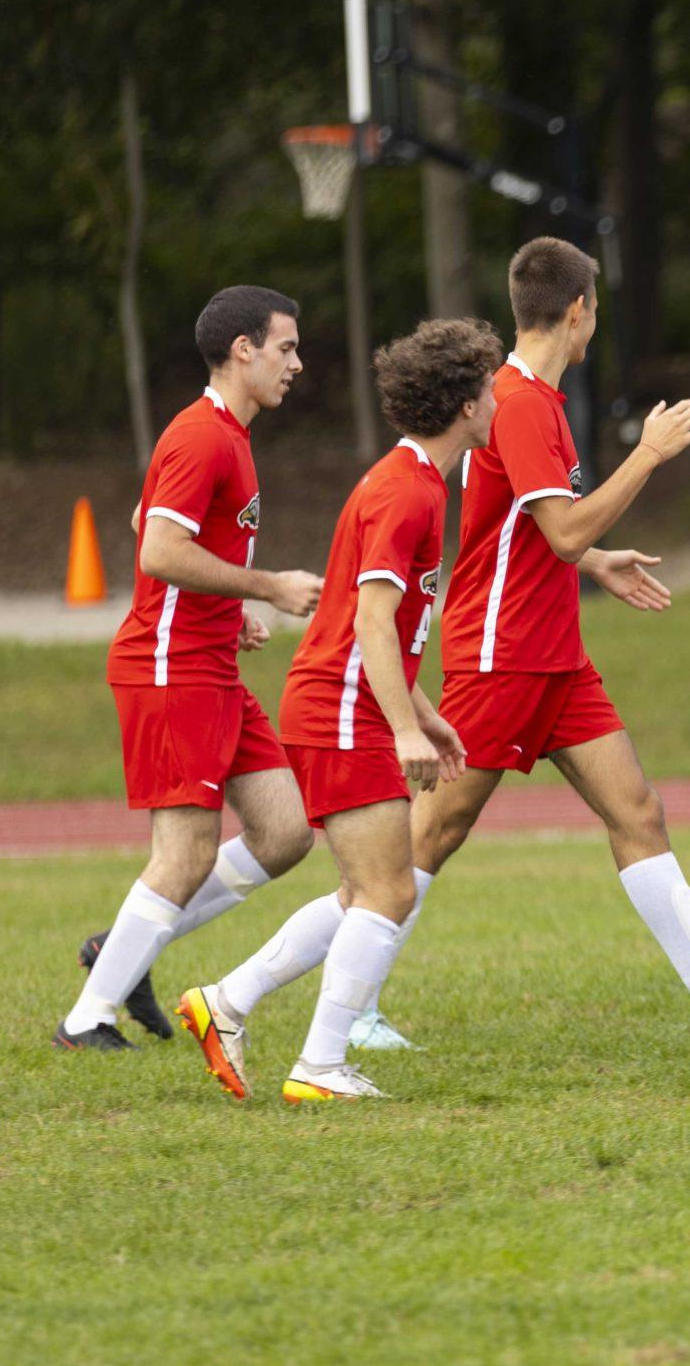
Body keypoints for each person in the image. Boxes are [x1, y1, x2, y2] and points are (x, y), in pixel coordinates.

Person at [409, 239, 690, 1025]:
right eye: (594, 308)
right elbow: (560, 533)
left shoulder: (532, 400)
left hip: (553, 654)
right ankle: (343, 1005)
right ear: (579, 312)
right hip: (501, 653)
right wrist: (647, 457)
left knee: (637, 808)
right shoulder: (523, 401)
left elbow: (534, 531)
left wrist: (595, 560)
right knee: (431, 832)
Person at [175, 318, 498, 1103]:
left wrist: (425, 710)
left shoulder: (413, 479)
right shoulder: (407, 491)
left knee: (363, 891)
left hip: (342, 701)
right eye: (488, 388)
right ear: (462, 404)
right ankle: (319, 1066)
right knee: (389, 891)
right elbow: (371, 621)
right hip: (341, 709)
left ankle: (225, 1002)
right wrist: (400, 726)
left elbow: (383, 622)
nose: (497, 400)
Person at [55, 287, 326, 1051]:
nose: (297, 364)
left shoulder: (229, 436)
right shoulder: (203, 436)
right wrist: (266, 586)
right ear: (243, 350)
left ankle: (125, 946)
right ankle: (85, 1020)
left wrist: (227, 603)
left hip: (210, 668)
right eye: (286, 348)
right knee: (185, 854)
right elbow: (157, 551)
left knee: (285, 831)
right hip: (170, 671)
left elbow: (153, 520)